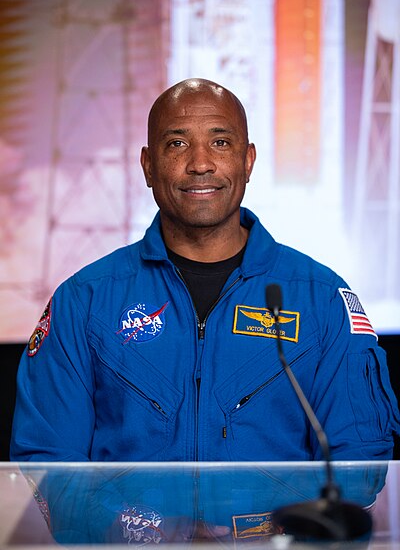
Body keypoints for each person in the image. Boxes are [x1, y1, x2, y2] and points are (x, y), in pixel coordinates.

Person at [10, 78, 400, 463]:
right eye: (177, 144)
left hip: (282, 528)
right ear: (148, 167)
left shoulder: (322, 298)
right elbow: (48, 467)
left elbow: (360, 462)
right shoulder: (83, 301)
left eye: (220, 142)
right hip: (128, 528)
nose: (200, 164)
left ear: (247, 162)